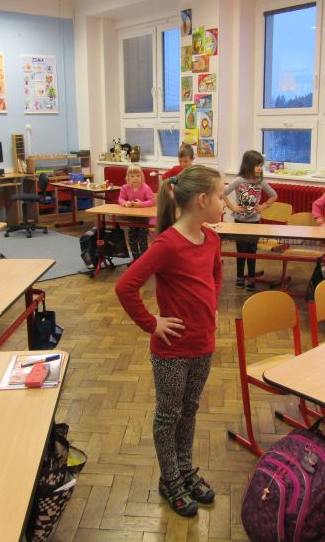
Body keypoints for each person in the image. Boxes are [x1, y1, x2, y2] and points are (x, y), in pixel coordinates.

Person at [115, 165, 224, 518]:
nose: (225, 202)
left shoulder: (212, 239)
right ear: (203, 200)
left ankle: (185, 469)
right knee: (168, 415)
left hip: (202, 344)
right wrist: (151, 323)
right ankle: (170, 478)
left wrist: (213, 306)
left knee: (189, 410)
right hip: (172, 350)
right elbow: (125, 286)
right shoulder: (167, 244)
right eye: (221, 196)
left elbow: (216, 275)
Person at [223, 150, 277, 290]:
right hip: (240, 221)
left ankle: (251, 278)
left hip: (254, 222)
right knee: (241, 250)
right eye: (257, 165)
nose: (259, 168)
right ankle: (240, 277)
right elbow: (222, 192)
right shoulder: (239, 180)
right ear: (248, 165)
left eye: (261, 166)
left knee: (252, 250)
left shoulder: (261, 182)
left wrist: (264, 206)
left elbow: (274, 195)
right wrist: (232, 207)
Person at [118, 164, 155, 261]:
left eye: (138, 176)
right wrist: (125, 203)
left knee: (142, 238)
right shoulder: (125, 187)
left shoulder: (145, 188)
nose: (135, 178)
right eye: (132, 176)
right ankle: (135, 259)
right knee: (132, 238)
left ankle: (143, 259)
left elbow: (151, 201)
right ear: (128, 178)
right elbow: (120, 199)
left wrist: (141, 204)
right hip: (131, 217)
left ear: (142, 177)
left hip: (143, 218)